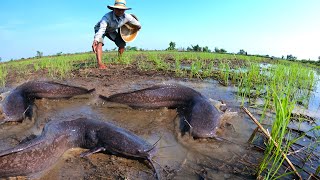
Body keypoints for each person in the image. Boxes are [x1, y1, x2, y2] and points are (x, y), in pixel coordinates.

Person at [92, 0, 141, 69]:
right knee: (99, 42)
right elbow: (102, 29)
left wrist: (138, 27)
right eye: (118, 9)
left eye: (122, 10)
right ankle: (100, 63)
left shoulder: (127, 17)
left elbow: (138, 24)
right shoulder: (106, 17)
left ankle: (119, 59)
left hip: (111, 30)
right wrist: (96, 39)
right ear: (114, 9)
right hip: (100, 29)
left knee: (122, 44)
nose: (120, 11)